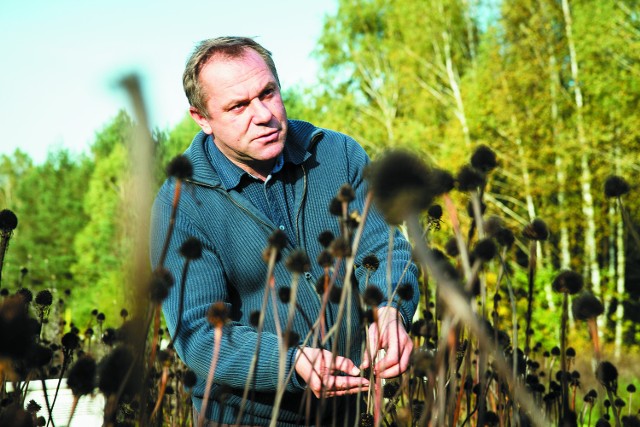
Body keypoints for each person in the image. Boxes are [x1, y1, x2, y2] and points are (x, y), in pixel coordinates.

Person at [150, 36, 420, 426]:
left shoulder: (337, 155)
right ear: (202, 118)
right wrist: (292, 363)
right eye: (238, 106)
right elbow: (201, 334)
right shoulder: (180, 206)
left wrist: (390, 311)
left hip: (350, 410)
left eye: (268, 93)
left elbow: (383, 248)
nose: (263, 114)